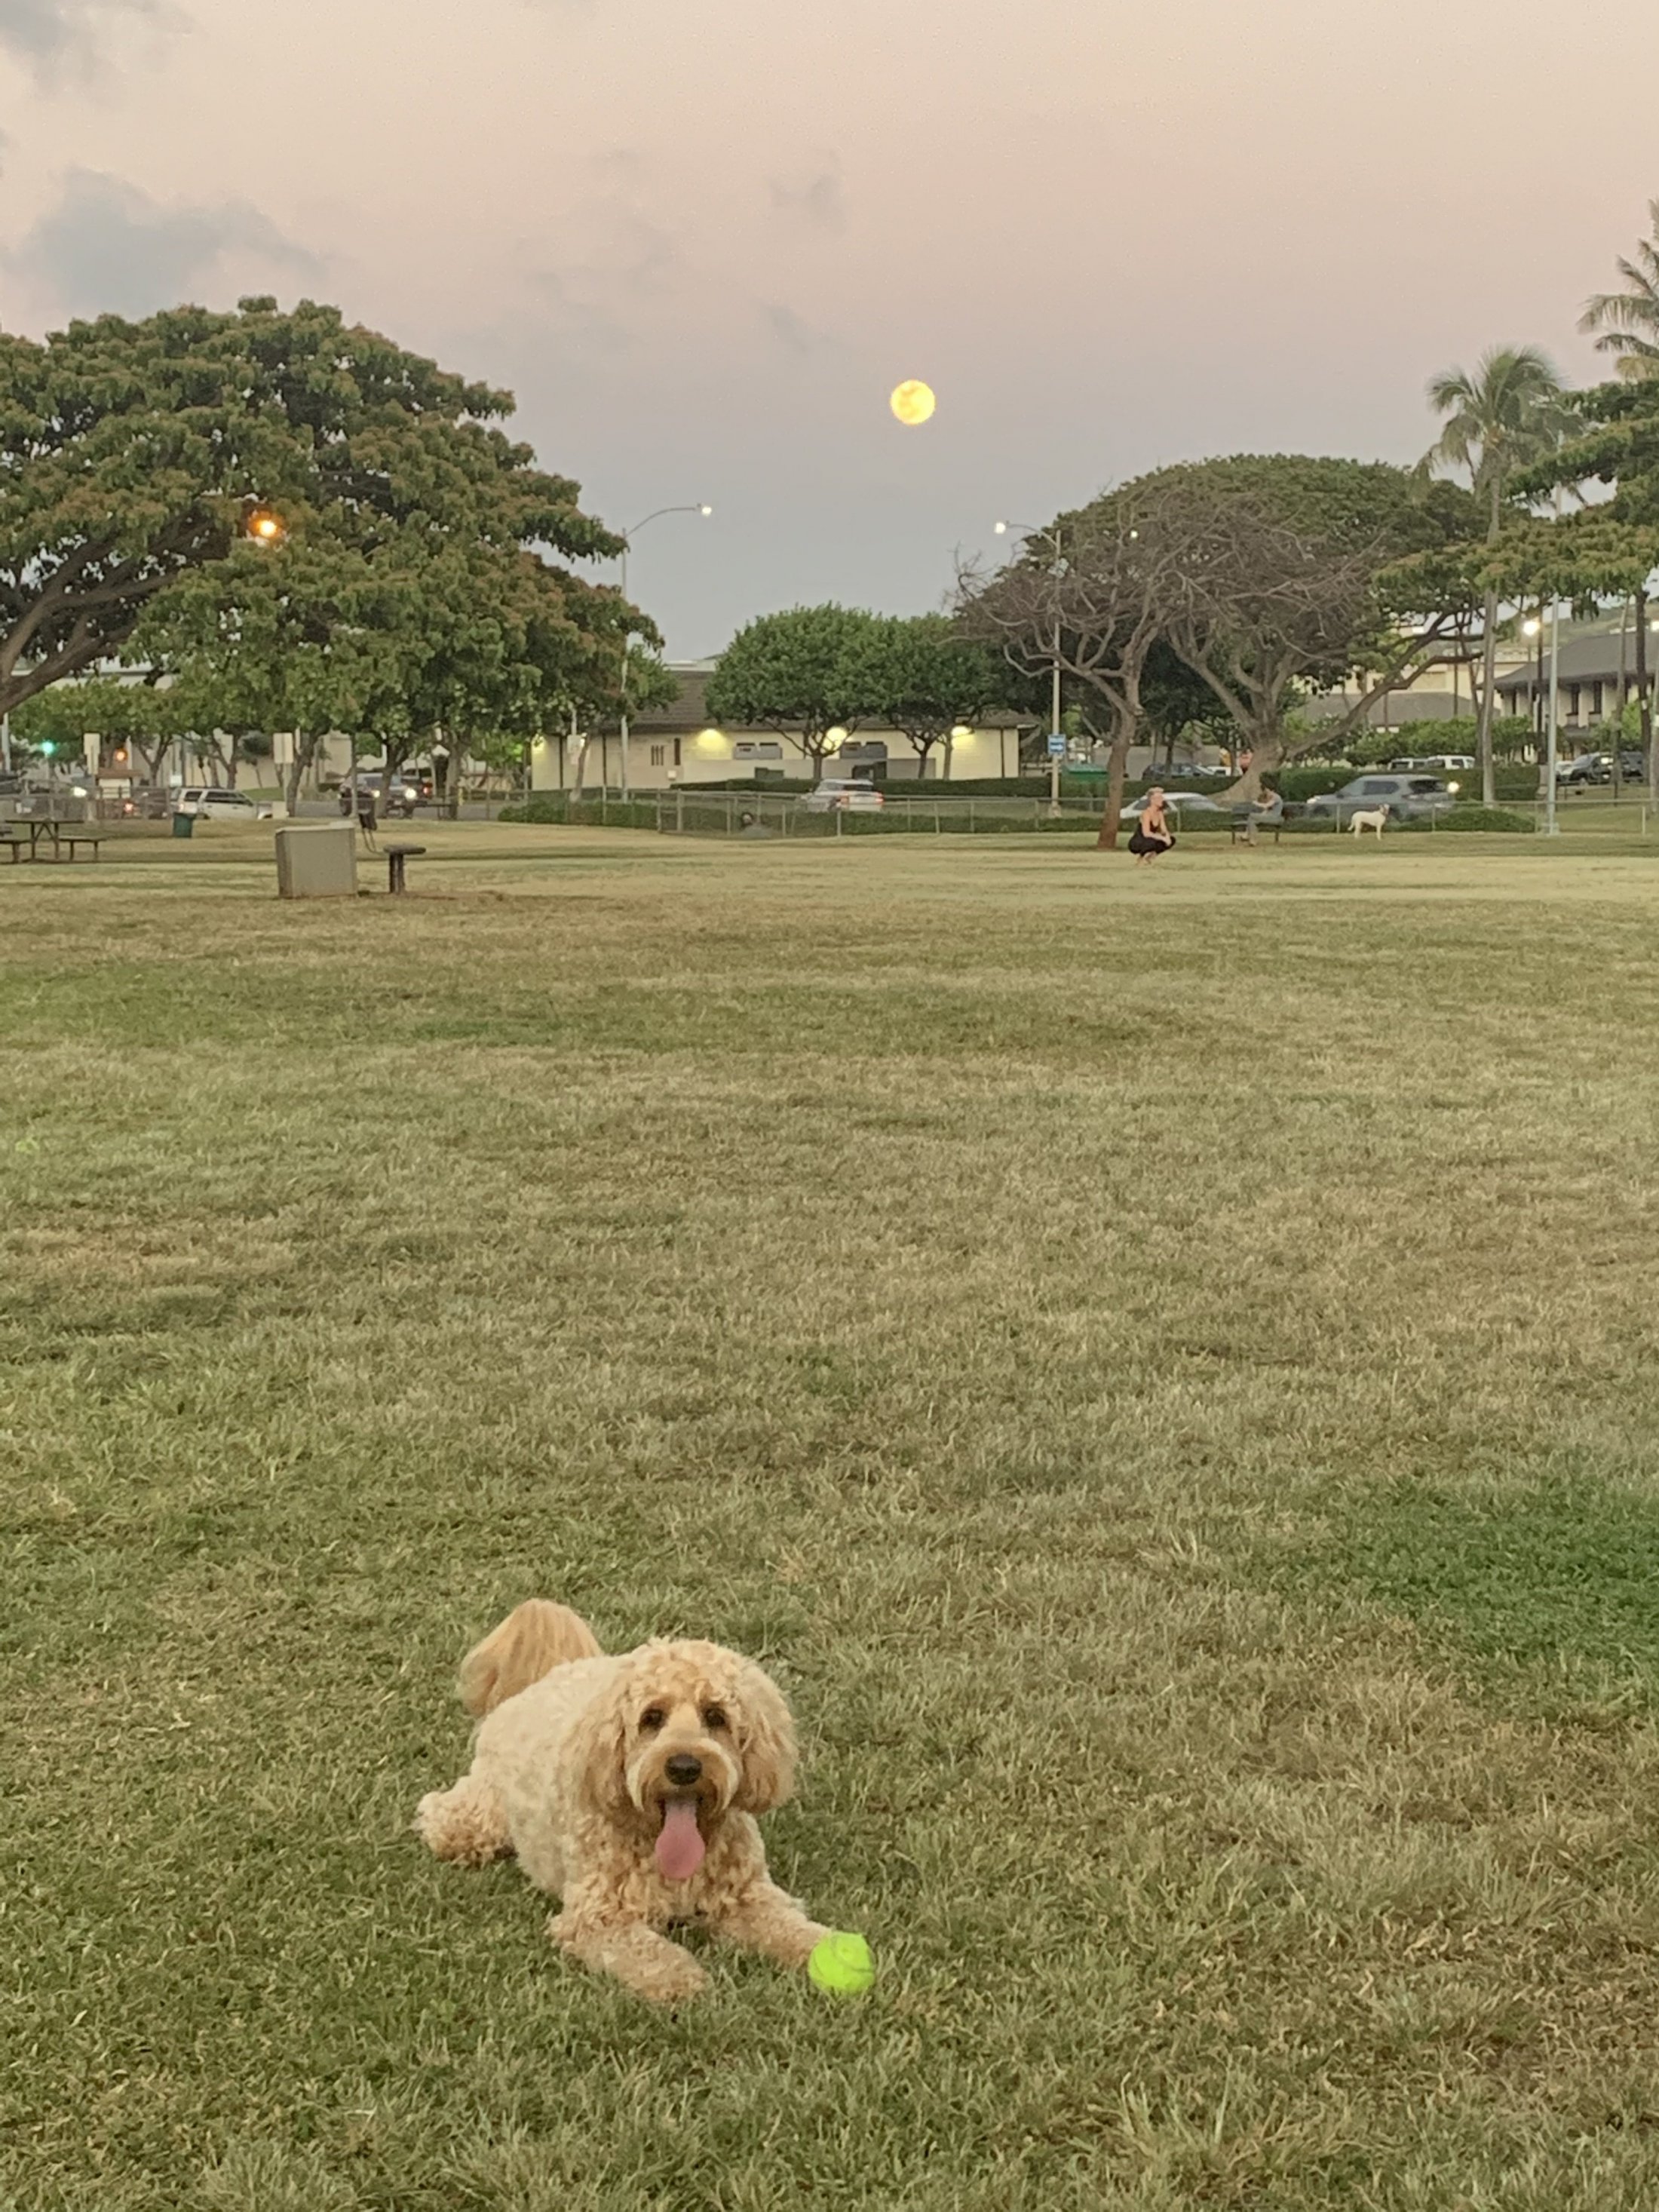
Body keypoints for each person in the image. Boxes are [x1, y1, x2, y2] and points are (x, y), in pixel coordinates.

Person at [1127, 786, 1176, 864]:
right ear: (1152, 800)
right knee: (1154, 841)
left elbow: (1164, 830)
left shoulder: (1160, 813)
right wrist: (1162, 838)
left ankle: (1150, 857)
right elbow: (1146, 833)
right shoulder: (1146, 813)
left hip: (1150, 839)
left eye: (1162, 798)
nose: (1162, 800)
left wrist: (1167, 837)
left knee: (1171, 839)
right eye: (1159, 798)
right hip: (1138, 842)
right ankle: (1141, 857)